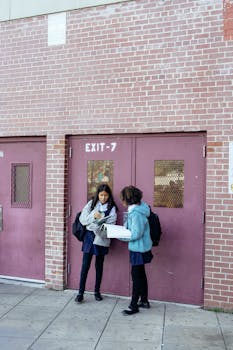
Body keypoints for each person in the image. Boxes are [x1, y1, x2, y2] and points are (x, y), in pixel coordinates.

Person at [75, 183, 118, 303]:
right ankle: (80, 293)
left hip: (101, 238)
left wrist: (96, 224)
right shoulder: (91, 204)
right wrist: (94, 216)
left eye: (105, 195)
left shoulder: (112, 208)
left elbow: (111, 223)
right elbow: (83, 220)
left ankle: (97, 292)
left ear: (109, 195)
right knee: (85, 266)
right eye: (101, 195)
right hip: (89, 237)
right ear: (97, 195)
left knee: (99, 266)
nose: (103, 198)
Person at [119, 185, 153, 316]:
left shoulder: (136, 213)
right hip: (141, 247)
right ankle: (144, 300)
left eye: (123, 199)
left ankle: (133, 306)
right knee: (141, 275)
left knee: (136, 277)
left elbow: (136, 233)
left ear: (128, 199)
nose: (122, 201)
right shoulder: (141, 208)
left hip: (138, 249)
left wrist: (120, 236)